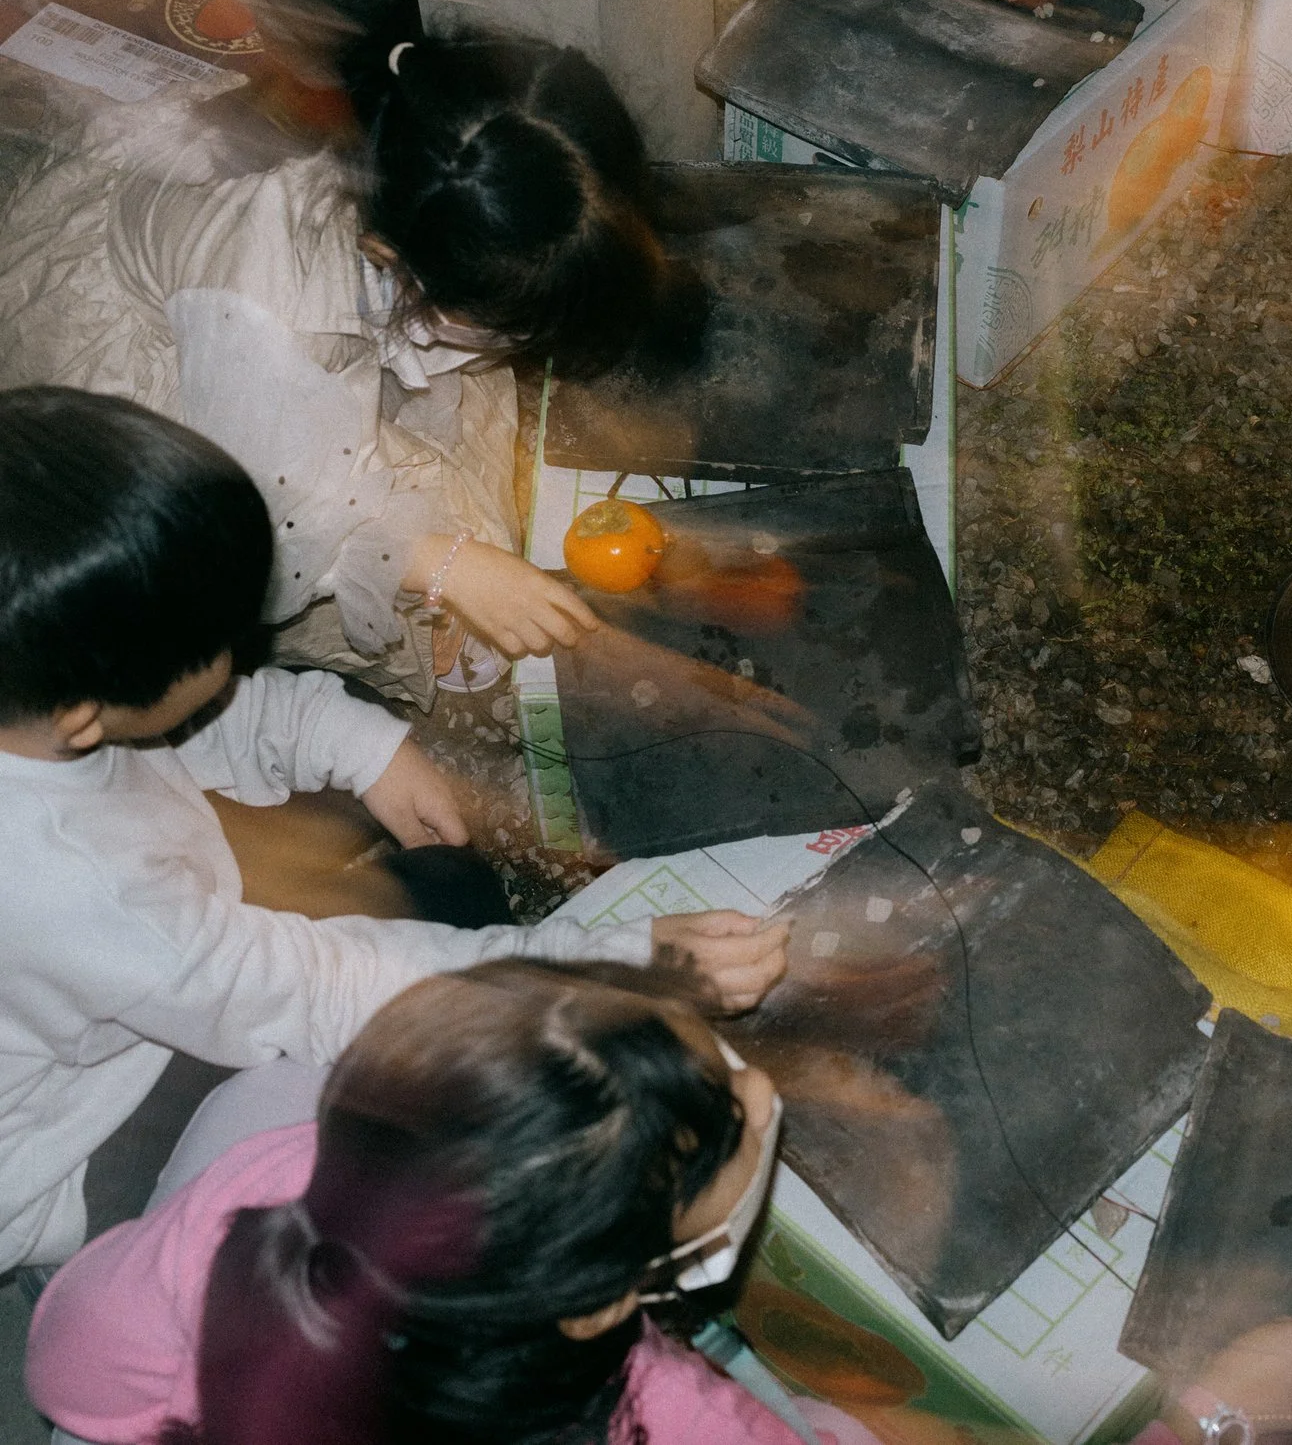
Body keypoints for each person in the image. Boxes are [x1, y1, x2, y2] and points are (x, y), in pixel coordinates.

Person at [0, 387, 786, 1275]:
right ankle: (127, 1268)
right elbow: (316, 989)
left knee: (431, 879)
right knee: (443, 1148)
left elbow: (203, 722)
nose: (245, 652)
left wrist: (368, 751)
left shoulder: (32, 696)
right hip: (81, 1142)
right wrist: (612, 960)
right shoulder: (76, 885)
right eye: (219, 644)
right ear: (81, 714)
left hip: (136, 963)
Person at [23, 960, 1292, 1445]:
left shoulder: (267, 1168)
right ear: (609, 1304)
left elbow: (72, 1370)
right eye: (744, 1128)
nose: (761, 1079)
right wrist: (1214, 1415)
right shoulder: (663, 1415)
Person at [0, 19, 706, 704]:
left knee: (474, 493)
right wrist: (444, 565)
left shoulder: (422, 147)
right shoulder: (272, 312)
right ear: (388, 260)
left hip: (290, 293)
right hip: (176, 369)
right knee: (422, 569)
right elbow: (272, 518)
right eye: (503, 327)